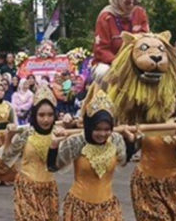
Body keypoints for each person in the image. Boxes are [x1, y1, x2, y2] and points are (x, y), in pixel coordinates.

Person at [47, 90, 135, 221]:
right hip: (79, 209)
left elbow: (123, 160)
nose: (102, 134)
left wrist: (131, 142)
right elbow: (53, 166)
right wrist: (53, 147)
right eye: (97, 129)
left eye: (107, 129)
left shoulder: (116, 140)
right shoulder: (77, 142)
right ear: (89, 126)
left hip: (108, 210)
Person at [1, 86, 60, 221]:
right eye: (41, 115)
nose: (46, 120)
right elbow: (6, 158)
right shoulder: (26, 133)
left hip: (49, 190)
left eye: (50, 115)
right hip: (27, 188)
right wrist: (8, 137)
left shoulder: (58, 133)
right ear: (34, 115)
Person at [92, 0, 149, 83]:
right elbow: (101, 49)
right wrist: (120, 63)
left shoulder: (140, 13)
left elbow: (146, 40)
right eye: (128, 1)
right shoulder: (106, 17)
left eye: (135, 1)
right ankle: (105, 99)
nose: (132, 5)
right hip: (109, 63)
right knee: (104, 74)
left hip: (136, 61)